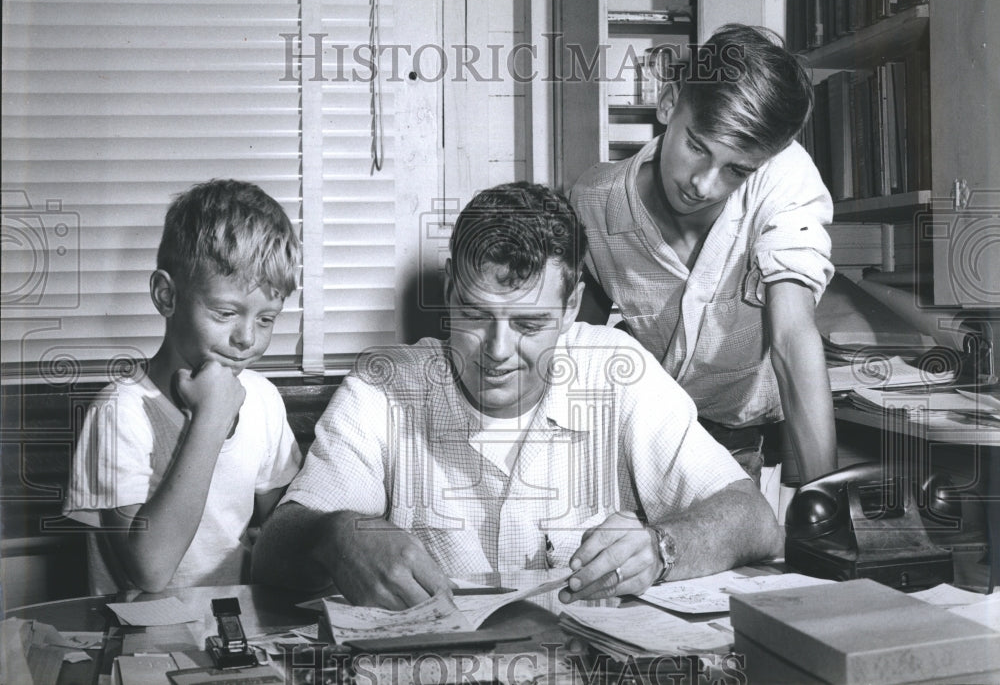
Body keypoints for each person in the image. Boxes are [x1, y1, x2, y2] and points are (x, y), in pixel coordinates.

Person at [253, 182, 781, 609]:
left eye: (529, 323)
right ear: (448, 290)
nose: (497, 351)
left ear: (572, 305)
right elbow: (272, 553)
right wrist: (336, 533)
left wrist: (662, 548)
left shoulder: (618, 372)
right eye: (475, 316)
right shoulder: (384, 384)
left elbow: (755, 519)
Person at [570, 24, 837, 497]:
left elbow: (793, 336)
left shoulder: (785, 176)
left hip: (739, 440)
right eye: (697, 147)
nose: (704, 184)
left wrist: (828, 508)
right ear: (669, 102)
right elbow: (572, 342)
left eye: (736, 170)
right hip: (628, 436)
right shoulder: (595, 199)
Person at [63, 179, 303, 593]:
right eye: (226, 312)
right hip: (135, 643)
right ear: (166, 295)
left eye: (267, 319)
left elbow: (288, 531)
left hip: (233, 634)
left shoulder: (262, 399)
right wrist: (210, 418)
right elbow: (150, 571)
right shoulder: (119, 411)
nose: (247, 338)